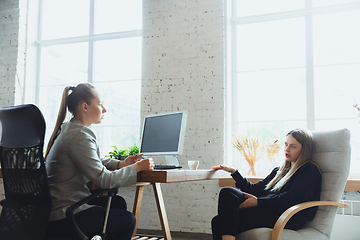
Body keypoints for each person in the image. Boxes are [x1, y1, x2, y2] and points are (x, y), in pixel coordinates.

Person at [45, 83, 154, 240]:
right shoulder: (79, 135)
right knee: (128, 221)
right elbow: (105, 180)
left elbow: (91, 159)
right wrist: (136, 168)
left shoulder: (70, 130)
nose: (104, 110)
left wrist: (120, 164)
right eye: (100, 104)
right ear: (85, 106)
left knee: (117, 203)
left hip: (57, 212)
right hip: (64, 215)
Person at [211, 129, 322, 240]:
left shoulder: (309, 169)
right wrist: (234, 172)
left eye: (293, 146)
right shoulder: (278, 171)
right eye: (286, 144)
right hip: (268, 210)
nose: (287, 149)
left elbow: (292, 199)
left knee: (220, 221)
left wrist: (259, 202)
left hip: (286, 216)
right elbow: (254, 190)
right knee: (222, 207)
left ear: (304, 150)